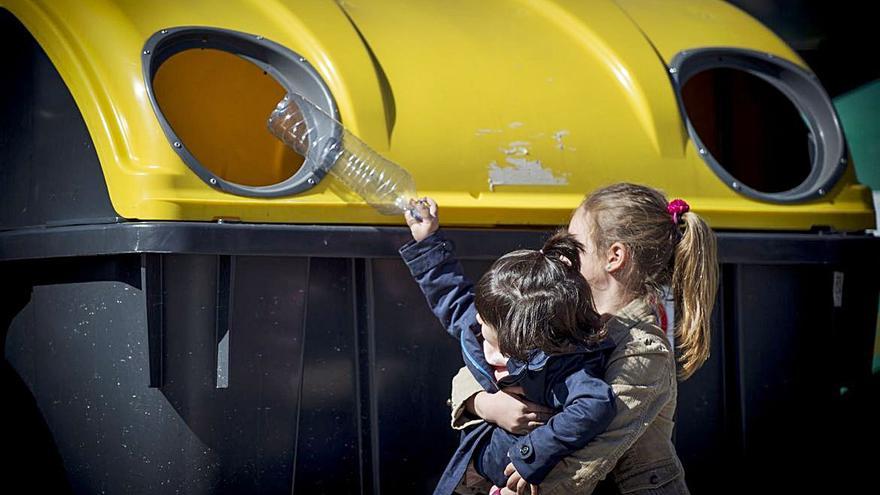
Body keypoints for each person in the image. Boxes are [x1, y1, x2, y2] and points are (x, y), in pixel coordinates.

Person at [450, 183, 718, 494]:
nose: (561, 257)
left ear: (614, 256)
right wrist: (484, 403)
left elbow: (592, 455)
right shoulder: (563, 313)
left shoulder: (643, 351)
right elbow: (486, 360)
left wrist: (521, 489)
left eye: (574, 243)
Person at [400, 198, 617, 495]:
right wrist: (427, 241)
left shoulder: (561, 367)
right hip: (475, 470)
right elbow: (453, 298)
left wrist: (533, 453)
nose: (475, 320)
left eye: (486, 322)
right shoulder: (484, 326)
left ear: (521, 339)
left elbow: (595, 404)